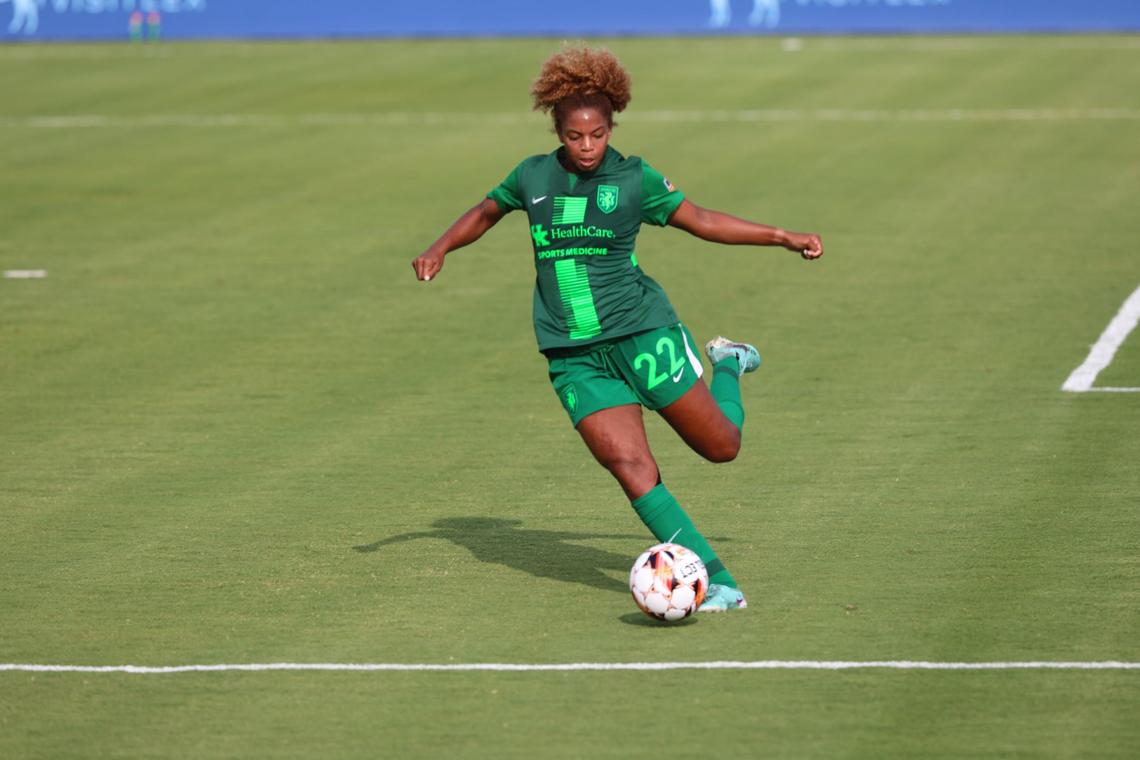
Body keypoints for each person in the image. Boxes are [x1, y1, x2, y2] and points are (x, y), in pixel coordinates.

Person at [412, 46, 822, 612]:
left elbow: (700, 220)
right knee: (630, 467)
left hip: (642, 332)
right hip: (572, 354)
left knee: (722, 447)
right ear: (558, 129)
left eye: (598, 135)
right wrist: (440, 247)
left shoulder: (634, 179)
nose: (587, 147)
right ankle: (719, 583)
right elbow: (486, 211)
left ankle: (727, 360)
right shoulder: (531, 176)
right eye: (576, 136)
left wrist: (782, 236)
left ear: (611, 127)